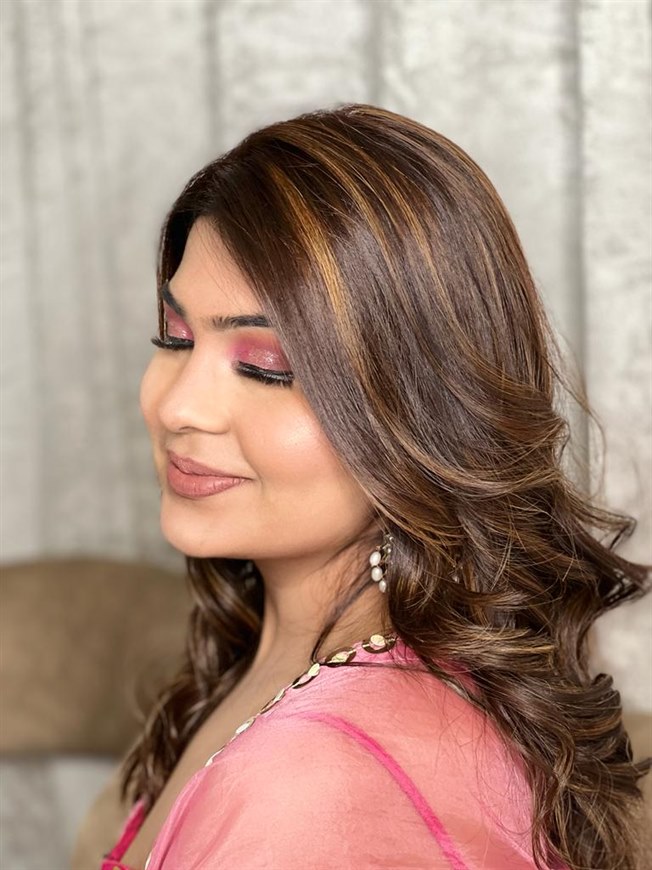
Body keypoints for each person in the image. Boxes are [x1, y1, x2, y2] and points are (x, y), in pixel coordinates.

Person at [99, 103, 650, 870]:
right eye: (175, 337)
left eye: (266, 366)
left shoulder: (317, 781)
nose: (177, 407)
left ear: (423, 408)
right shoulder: (301, 672)